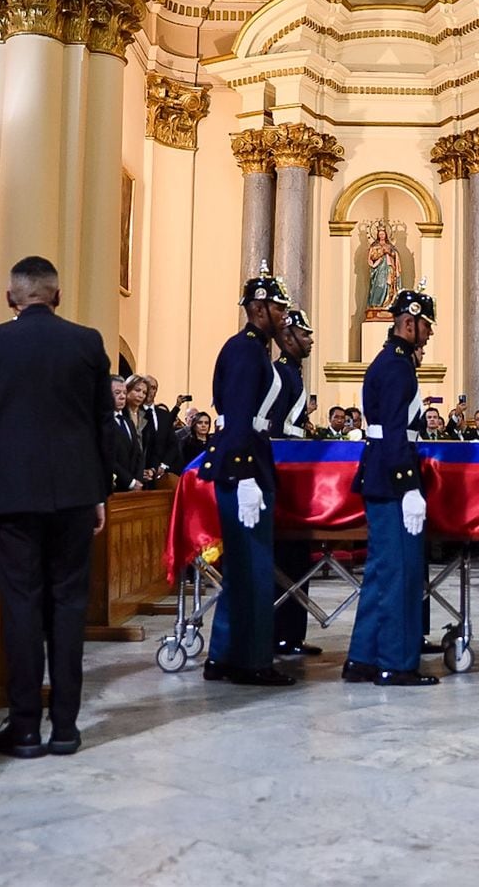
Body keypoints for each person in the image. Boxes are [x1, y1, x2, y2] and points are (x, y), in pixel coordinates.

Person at [0, 255, 112, 758]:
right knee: (68, 605)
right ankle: (65, 725)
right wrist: (101, 492)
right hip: (73, 494)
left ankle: (23, 728)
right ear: (57, 296)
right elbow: (102, 423)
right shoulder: (86, 342)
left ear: (10, 298)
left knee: (20, 606)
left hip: (7, 495)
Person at [200, 263, 294, 686]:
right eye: (279, 308)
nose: (284, 316)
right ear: (259, 308)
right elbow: (237, 415)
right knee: (253, 568)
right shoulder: (245, 350)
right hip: (244, 462)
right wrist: (246, 476)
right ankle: (252, 661)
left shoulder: (255, 349)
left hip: (249, 456)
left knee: (243, 568)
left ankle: (223, 655)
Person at [345, 281, 439, 687]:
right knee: (400, 572)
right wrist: (410, 487)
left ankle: (363, 657)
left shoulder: (388, 362)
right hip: (392, 477)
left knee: (382, 572)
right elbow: (396, 433)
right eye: (426, 325)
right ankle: (396, 663)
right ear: (408, 323)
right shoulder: (398, 367)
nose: (430, 332)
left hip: (379, 475)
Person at [270, 307, 321, 657]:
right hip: (284, 473)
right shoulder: (279, 374)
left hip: (297, 474)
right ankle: (281, 634)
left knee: (298, 560)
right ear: (288, 338)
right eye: (305, 334)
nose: (311, 340)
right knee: (286, 559)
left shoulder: (294, 375)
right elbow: (276, 427)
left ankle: (293, 635)